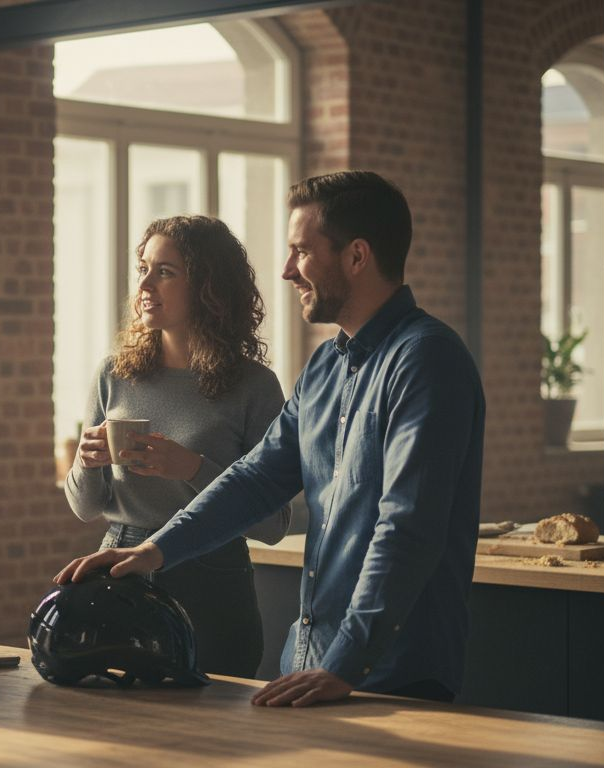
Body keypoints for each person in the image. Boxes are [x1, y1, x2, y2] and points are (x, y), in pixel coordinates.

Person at [57, 172, 485, 707]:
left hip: (391, 676)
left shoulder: (426, 360)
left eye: (301, 252)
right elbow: (254, 479)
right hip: (308, 667)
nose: (286, 271)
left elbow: (407, 528)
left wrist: (345, 663)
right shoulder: (327, 365)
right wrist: (153, 550)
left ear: (356, 257)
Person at [64, 215, 291, 679]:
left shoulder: (254, 386)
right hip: (121, 575)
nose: (145, 283)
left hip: (214, 586)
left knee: (211, 742)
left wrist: (192, 467)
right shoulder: (114, 373)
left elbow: (274, 525)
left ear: (210, 286)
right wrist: (85, 464)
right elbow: (87, 508)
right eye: (142, 268)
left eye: (165, 271)